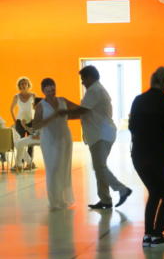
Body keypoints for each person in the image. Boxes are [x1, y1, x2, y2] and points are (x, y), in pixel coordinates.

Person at [129, 67, 164, 247]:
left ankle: (148, 235)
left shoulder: (138, 100)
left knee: (154, 192)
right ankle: (157, 233)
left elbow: (132, 126)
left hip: (138, 154)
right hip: (158, 154)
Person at [78, 65, 132, 209]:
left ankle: (122, 189)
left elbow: (81, 110)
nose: (82, 82)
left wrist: (61, 109)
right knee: (99, 166)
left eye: (83, 79)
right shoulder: (95, 89)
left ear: (90, 77)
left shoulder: (94, 90)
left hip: (101, 134)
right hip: (100, 133)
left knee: (99, 166)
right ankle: (105, 200)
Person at [32, 78, 85, 210]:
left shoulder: (63, 100)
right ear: (43, 91)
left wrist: (66, 114)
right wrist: (53, 116)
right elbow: (36, 125)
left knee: (64, 168)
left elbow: (79, 111)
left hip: (64, 138)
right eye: (48, 89)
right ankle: (54, 201)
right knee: (53, 169)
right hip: (49, 140)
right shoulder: (40, 106)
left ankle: (63, 199)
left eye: (53, 88)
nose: (51, 91)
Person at [9, 77, 36, 169]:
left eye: (25, 83)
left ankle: (30, 163)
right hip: (20, 122)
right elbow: (11, 109)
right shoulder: (16, 97)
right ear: (19, 86)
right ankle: (20, 162)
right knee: (20, 143)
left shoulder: (33, 95)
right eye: (22, 84)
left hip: (31, 122)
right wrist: (15, 121)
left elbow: (37, 108)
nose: (24, 85)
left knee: (30, 143)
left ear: (28, 85)